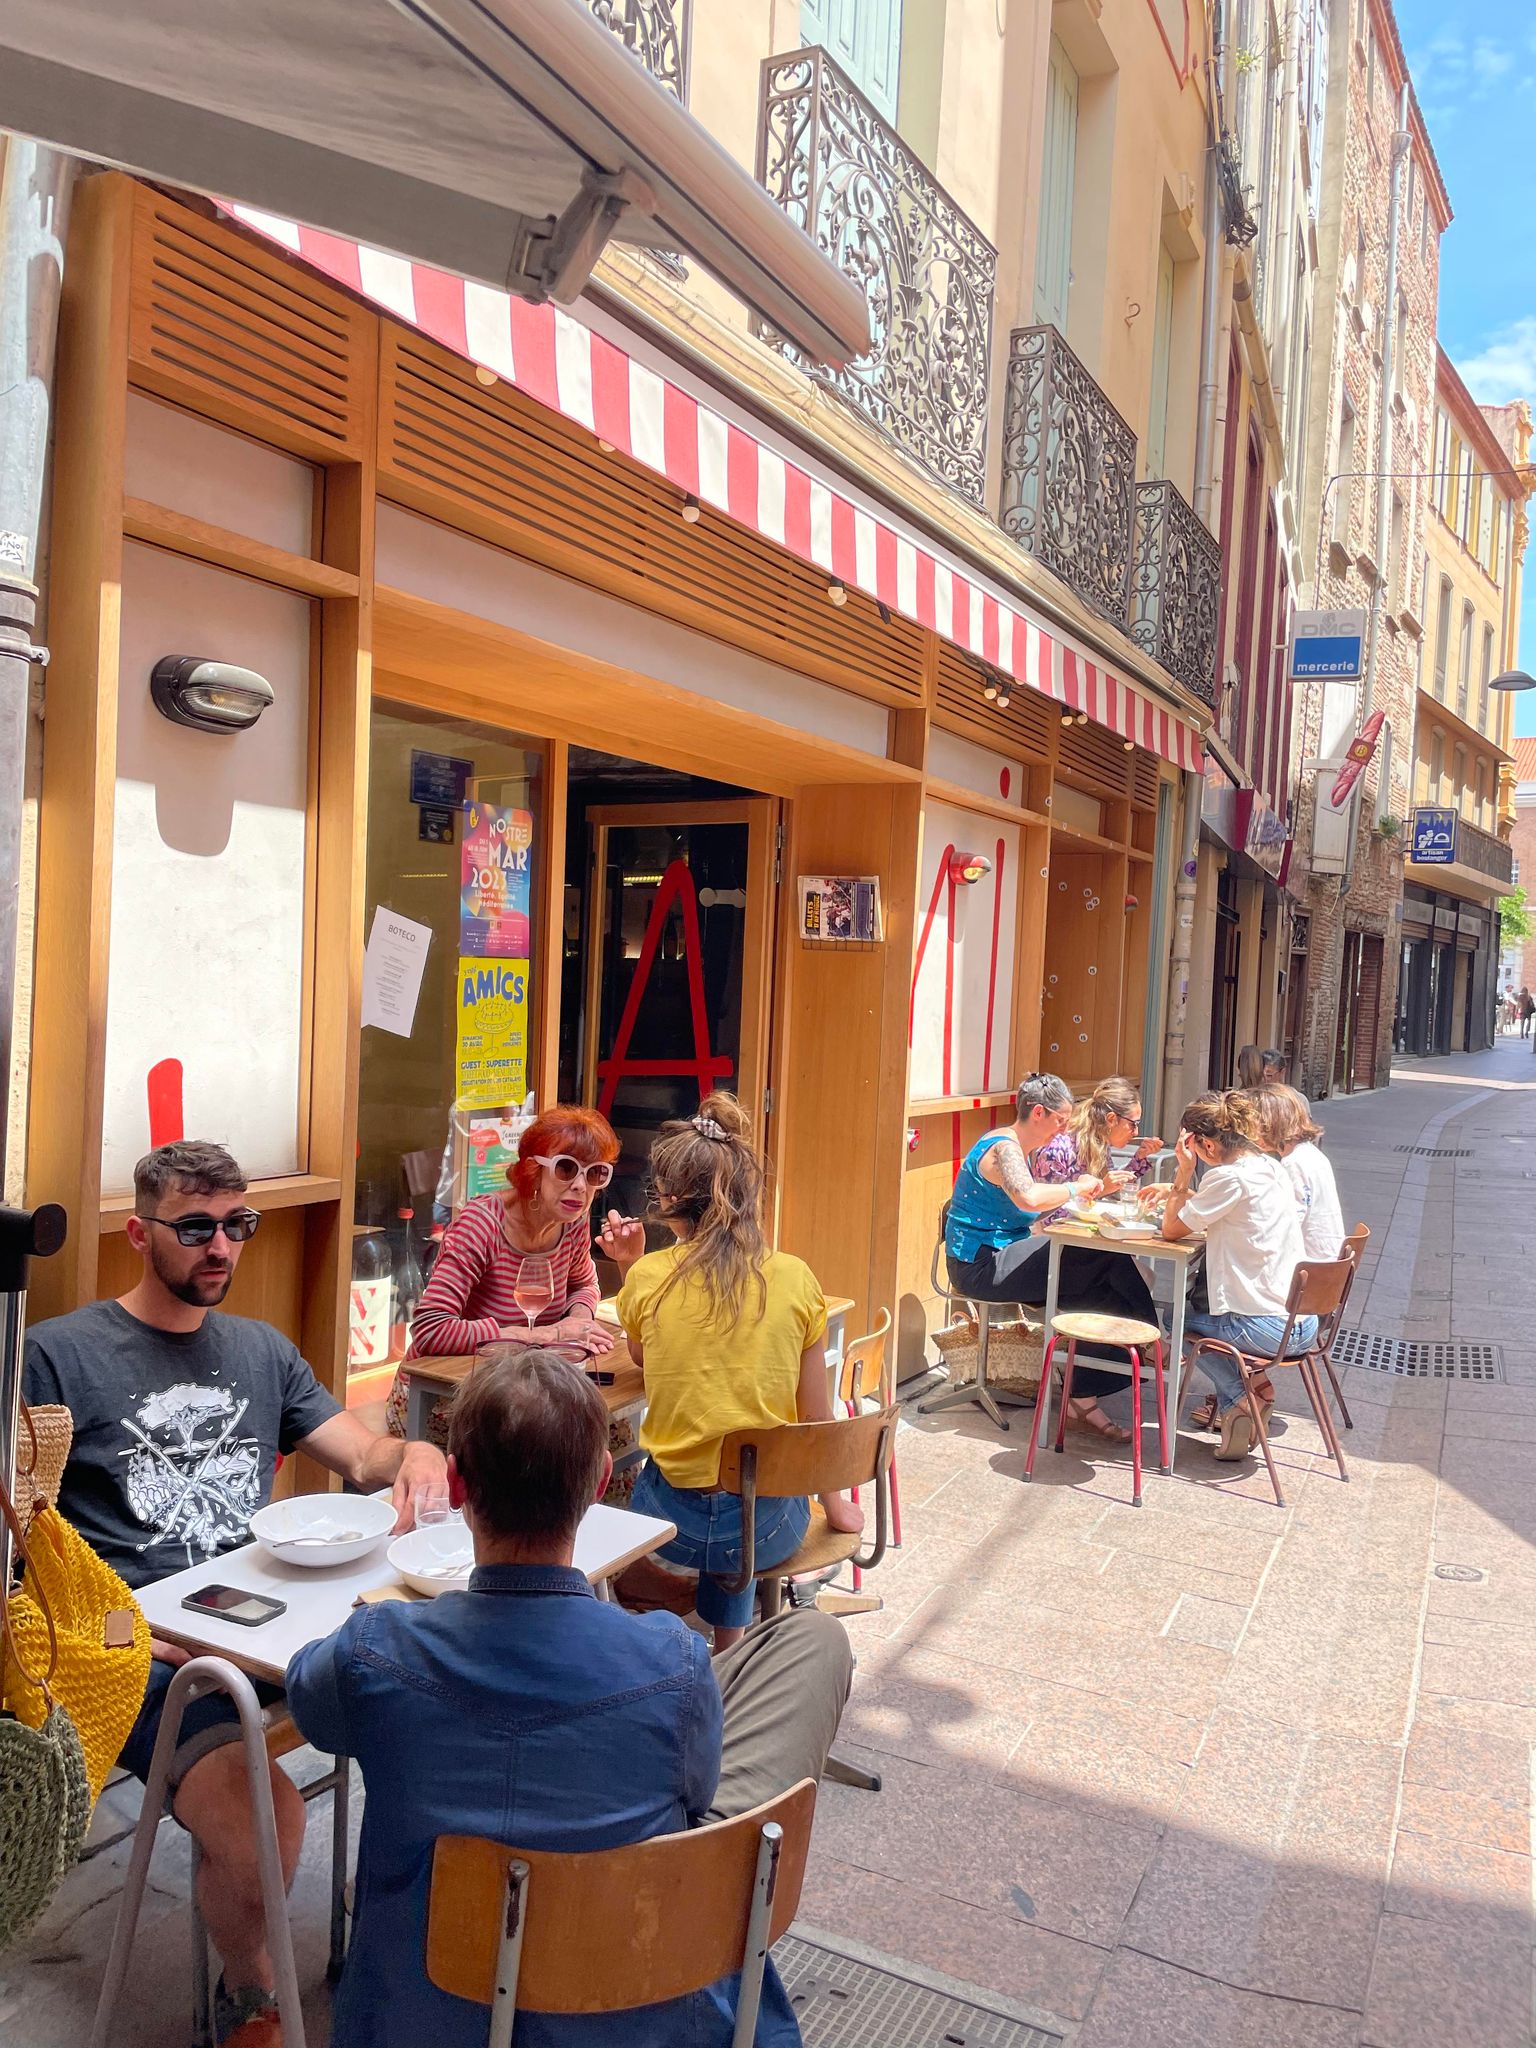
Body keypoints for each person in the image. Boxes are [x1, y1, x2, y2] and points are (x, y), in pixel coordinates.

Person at [287, 1350, 855, 2048]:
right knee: (809, 1643)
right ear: (599, 1485)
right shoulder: (672, 1660)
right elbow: (698, 1788)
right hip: (638, 2006)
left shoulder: (376, 1650)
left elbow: (307, 1697)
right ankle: (708, 1882)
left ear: (458, 1486)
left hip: (424, 2013)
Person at [23, 1140, 447, 2048]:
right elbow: (24, 1553)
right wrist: (117, 1626)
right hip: (140, 1650)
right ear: (140, 1233)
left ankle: (401, 1938)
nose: (221, 1247)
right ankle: (250, 1993)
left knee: (440, 1714)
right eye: (197, 1228)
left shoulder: (260, 1350)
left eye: (237, 1227)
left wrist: (411, 1451)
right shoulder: (56, 1358)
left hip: (277, 1623)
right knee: (266, 1815)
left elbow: (361, 1456)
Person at [609, 1093, 862, 1650]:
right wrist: (838, 1506)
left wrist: (629, 1266)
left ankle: (674, 1632)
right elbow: (817, 1419)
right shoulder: (795, 1278)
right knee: (747, 1488)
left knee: (666, 1475)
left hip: (668, 1521)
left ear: (670, 1200)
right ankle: (731, 1647)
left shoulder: (649, 1276)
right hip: (769, 1528)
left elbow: (643, 1357)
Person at [943, 1072, 1160, 1445]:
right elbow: (1028, 1199)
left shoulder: (1018, 1148)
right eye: (1061, 1121)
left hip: (1004, 1254)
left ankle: (1085, 1394)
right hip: (981, 1265)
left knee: (1098, 1287)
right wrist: (1076, 1188)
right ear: (1039, 1113)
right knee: (1103, 1257)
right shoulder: (1004, 1148)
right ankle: (1152, 1343)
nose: (1063, 1129)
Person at [387, 1105, 621, 1445]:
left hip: (524, 1395)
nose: (580, 1187)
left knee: (611, 1441)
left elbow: (584, 1283)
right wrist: (545, 1335)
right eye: (566, 1169)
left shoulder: (571, 1222)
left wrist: (580, 1322)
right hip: (447, 1399)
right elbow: (430, 1330)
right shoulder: (482, 1224)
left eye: (596, 1173)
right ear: (532, 1170)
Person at [1156, 1093, 1316, 1462]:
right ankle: (1246, 1398)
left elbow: (1170, 1230)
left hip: (1265, 1327)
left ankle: (1242, 1398)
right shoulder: (1271, 1167)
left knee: (1174, 1318)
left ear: (1207, 1144)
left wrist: (1183, 1171)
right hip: (1301, 1321)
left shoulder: (1228, 1177)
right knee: (1192, 1316)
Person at [1248, 1084, 1345, 1260]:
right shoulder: (1311, 1154)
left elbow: (1288, 1224)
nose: (1250, 1133)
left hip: (1310, 1266)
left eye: (1253, 1125)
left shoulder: (1293, 1163)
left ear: (1270, 1124)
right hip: (1327, 1260)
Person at [1034, 1076, 1163, 1195]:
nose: (1136, 1133)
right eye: (1133, 1124)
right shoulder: (1057, 1150)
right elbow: (1047, 1212)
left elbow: (1111, 1189)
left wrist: (1140, 1158)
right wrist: (1102, 1190)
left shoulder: (1100, 1142)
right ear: (1111, 1119)